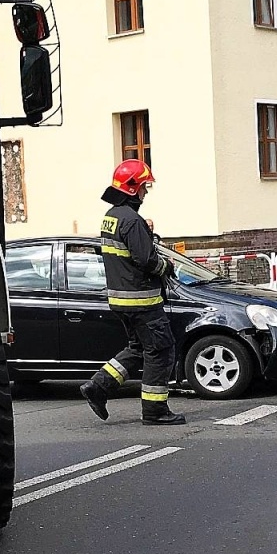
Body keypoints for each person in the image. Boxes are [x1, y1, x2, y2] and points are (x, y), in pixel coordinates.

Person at [79, 159, 185, 425]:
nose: (146, 192)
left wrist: (145, 234)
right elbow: (147, 260)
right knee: (161, 351)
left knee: (138, 348)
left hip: (121, 299)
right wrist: (166, 266)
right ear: (132, 188)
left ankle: (98, 386)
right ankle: (155, 411)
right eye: (144, 187)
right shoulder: (131, 220)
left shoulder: (112, 217)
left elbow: (128, 251)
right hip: (142, 300)